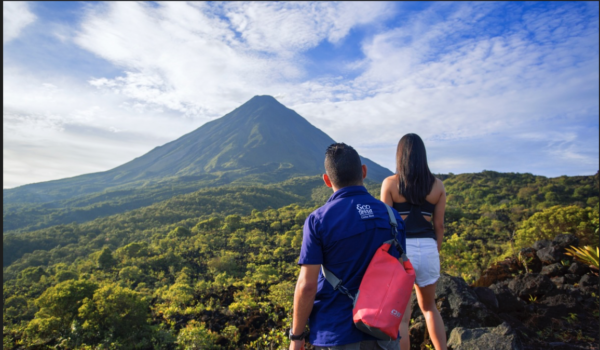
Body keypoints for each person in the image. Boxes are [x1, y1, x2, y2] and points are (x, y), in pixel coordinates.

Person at [289, 143, 406, 350]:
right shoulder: (392, 217)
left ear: (327, 180)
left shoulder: (318, 220)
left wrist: (296, 336)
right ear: (363, 171)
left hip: (335, 333)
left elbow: (307, 286)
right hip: (383, 334)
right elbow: (399, 275)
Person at [380, 133, 447, 350]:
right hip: (428, 250)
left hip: (401, 253)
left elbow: (386, 227)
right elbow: (439, 226)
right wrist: (434, 250)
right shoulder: (438, 186)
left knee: (401, 318)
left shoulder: (390, 184)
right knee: (429, 309)